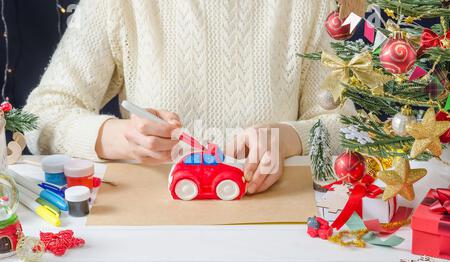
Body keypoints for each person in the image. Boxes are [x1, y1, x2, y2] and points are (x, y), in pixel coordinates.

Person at [23, 0, 355, 194]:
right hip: (153, 228)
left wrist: (290, 138)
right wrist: (118, 138)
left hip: (276, 228)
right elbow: (41, 116)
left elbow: (349, 130)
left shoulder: (312, 6)